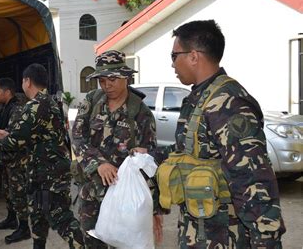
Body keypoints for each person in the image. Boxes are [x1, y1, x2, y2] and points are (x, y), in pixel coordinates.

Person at [167, 19, 285, 248]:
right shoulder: (199, 98)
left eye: (174, 56)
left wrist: (266, 239)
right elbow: (192, 154)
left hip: (224, 235)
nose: (172, 64)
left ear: (193, 56)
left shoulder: (227, 102)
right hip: (201, 229)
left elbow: (252, 176)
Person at [0, 64, 84, 249]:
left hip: (48, 174)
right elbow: (32, 133)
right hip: (41, 172)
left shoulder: (34, 106)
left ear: (27, 81)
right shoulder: (51, 102)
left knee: (61, 218)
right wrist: (8, 135)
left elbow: (17, 140)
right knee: (38, 217)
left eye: (23, 81)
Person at [71, 50, 163, 248]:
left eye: (112, 79)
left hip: (125, 200)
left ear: (126, 77)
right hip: (91, 194)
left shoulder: (141, 113)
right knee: (91, 242)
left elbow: (148, 164)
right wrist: (99, 164)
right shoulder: (92, 101)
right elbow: (77, 137)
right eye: (102, 80)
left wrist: (154, 209)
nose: (107, 85)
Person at [0, 78, 31, 244]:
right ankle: (11, 218)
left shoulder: (16, 109)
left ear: (7, 92)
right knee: (8, 191)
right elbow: (2, 132)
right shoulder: (6, 107)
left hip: (16, 160)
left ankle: (24, 228)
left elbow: (13, 136)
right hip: (7, 159)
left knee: (18, 194)